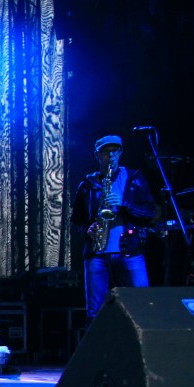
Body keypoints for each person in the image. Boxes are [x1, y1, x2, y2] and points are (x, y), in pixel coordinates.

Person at [71, 135, 155, 327]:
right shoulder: (88, 184)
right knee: (95, 312)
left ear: (121, 153)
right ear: (97, 155)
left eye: (115, 151)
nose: (111, 156)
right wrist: (88, 229)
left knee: (141, 306)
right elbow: (76, 220)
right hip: (97, 254)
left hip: (130, 252)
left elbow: (149, 212)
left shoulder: (134, 178)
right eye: (106, 152)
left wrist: (124, 204)